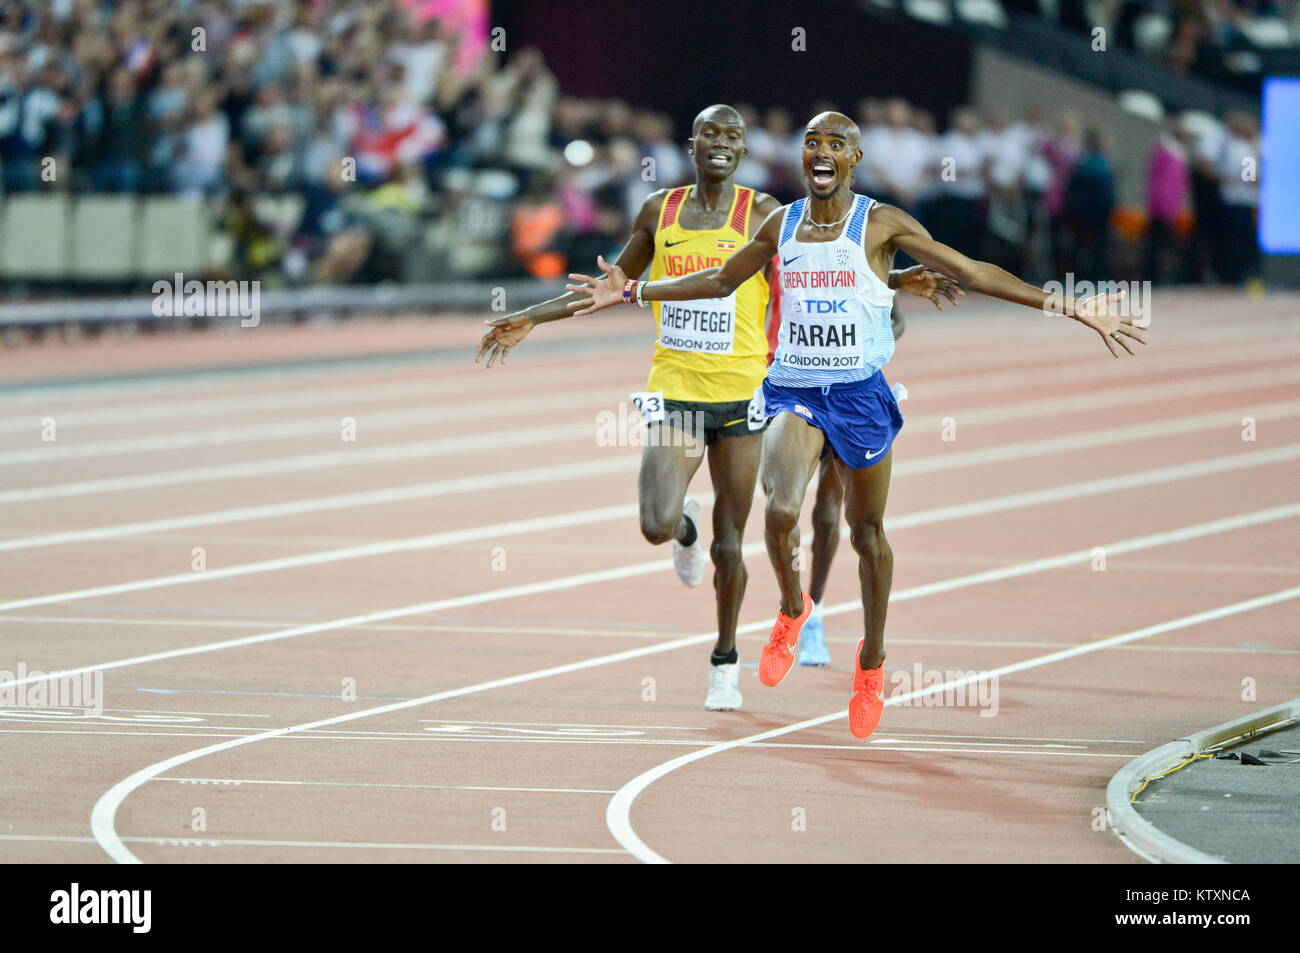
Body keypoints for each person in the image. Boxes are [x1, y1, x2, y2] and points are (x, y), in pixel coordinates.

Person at [564, 111, 1145, 739]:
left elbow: (971, 271)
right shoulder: (777, 222)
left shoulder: (881, 222)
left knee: (867, 535)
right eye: (812, 142)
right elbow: (721, 279)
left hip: (860, 395)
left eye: (835, 143)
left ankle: (872, 662)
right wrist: (631, 293)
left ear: (854, 157)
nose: (821, 151)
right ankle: (792, 608)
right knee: (780, 509)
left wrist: (1068, 304)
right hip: (793, 388)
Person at [477, 104, 953, 712]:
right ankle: (687, 529)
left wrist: (898, 279)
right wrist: (530, 317)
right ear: (693, 142)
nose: (721, 143)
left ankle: (728, 661)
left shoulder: (765, 214)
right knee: (655, 522)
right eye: (710, 133)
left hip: (749, 392)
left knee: (749, 539)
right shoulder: (659, 211)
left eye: (734, 136)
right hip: (677, 388)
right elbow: (609, 289)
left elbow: (828, 267)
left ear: (746, 150)